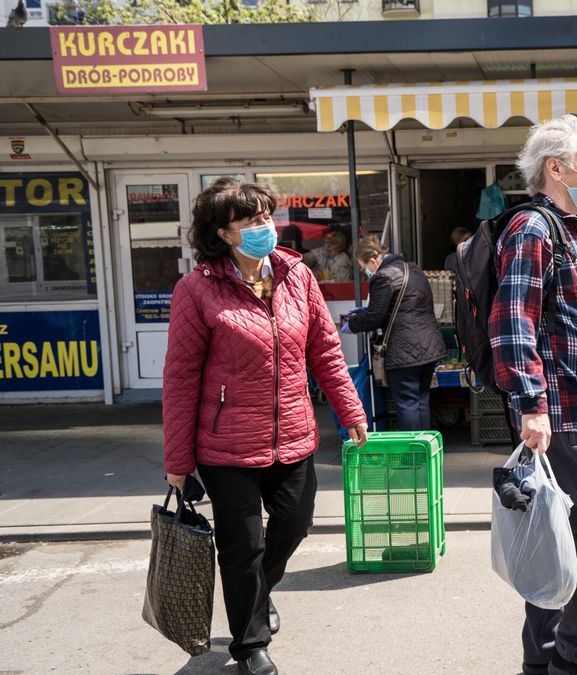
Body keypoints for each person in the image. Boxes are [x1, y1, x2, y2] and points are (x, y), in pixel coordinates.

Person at [162, 178, 368, 675]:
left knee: (294, 525)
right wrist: (177, 461)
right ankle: (249, 645)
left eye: (265, 216)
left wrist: (351, 411)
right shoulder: (197, 289)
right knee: (242, 546)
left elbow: (325, 352)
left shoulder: (296, 275)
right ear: (223, 233)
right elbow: (181, 377)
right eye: (251, 220)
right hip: (226, 443)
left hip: (294, 433)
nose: (264, 227)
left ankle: (258, 592)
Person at [491, 114, 577, 675]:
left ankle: (545, 661)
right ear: (557, 168)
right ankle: (575, 657)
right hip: (561, 412)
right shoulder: (533, 229)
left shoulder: (568, 231)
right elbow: (513, 324)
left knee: (563, 535)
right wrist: (532, 404)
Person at [348, 236, 446, 431]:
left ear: (373, 261)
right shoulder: (414, 269)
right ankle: (426, 451)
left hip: (404, 349)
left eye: (363, 267)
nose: (364, 272)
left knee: (407, 403)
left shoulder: (383, 276)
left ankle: (414, 453)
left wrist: (352, 323)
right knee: (422, 400)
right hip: (429, 346)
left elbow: (374, 318)